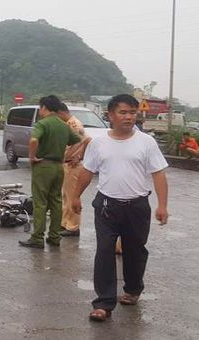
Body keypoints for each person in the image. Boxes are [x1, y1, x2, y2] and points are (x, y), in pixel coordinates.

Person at [72, 94, 168, 322]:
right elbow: (87, 171)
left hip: (137, 206)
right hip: (107, 205)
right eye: (123, 112)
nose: (128, 117)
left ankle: (133, 289)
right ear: (111, 115)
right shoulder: (98, 143)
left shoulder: (146, 142)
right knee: (104, 251)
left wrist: (162, 205)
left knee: (135, 250)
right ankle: (104, 303)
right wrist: (75, 196)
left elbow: (159, 173)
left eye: (132, 112)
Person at [19, 95, 80, 249]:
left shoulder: (42, 124)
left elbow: (33, 140)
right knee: (56, 202)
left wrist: (32, 157)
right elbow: (76, 139)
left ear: (44, 107)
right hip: (58, 167)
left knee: (40, 203)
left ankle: (37, 238)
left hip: (43, 166)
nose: (40, 110)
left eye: (40, 107)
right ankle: (54, 236)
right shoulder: (63, 125)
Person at [56, 103, 90, 237]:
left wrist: (80, 156)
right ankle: (65, 223)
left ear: (61, 113)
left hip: (73, 166)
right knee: (65, 196)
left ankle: (73, 227)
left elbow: (87, 140)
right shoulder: (69, 123)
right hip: (67, 164)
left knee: (72, 196)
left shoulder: (74, 124)